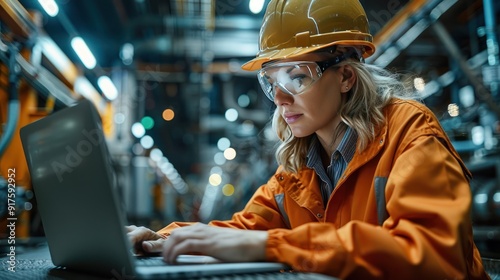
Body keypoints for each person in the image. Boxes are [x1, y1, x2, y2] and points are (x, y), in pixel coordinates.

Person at [127, 0, 490, 279]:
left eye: (297, 77)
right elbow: (238, 232)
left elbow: (432, 254)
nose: (281, 98)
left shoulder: (409, 134)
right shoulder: (298, 170)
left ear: (346, 77)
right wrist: (159, 237)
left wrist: (271, 245)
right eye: (272, 82)